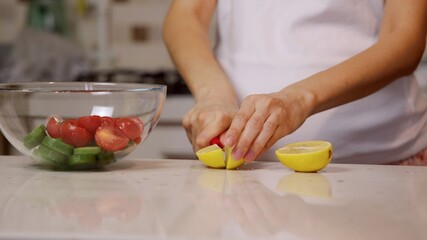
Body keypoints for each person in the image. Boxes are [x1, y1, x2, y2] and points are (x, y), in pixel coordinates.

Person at [163, 0, 427, 165]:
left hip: (382, 160)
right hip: (246, 171)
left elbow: (405, 40)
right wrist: (214, 95)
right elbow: (187, 13)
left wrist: (299, 98)